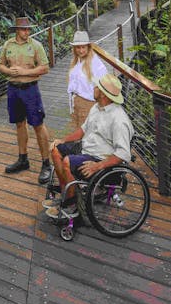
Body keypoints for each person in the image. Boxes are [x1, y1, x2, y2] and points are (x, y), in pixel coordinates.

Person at [44, 72, 134, 220]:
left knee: (67, 162)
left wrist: (97, 166)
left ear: (103, 94)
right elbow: (82, 130)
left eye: (97, 86)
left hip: (101, 158)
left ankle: (72, 205)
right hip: (87, 148)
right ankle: (66, 193)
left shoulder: (119, 120)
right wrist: (63, 140)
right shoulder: (97, 107)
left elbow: (123, 154)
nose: (94, 88)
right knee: (55, 150)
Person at [0, 16, 54, 184]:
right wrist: (8, 71)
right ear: (16, 30)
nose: (27, 32)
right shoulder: (8, 45)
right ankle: (23, 159)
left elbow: (45, 68)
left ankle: (46, 164)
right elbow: (0, 64)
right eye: (23, 29)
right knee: (19, 123)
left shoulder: (35, 45)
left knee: (38, 125)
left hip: (30, 90)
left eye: (28, 29)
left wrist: (23, 72)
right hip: (13, 90)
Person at [65, 30, 107, 135]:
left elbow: (103, 83)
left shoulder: (95, 63)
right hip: (76, 103)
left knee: (86, 135)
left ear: (88, 47)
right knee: (77, 133)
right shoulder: (76, 61)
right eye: (78, 47)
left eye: (83, 47)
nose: (81, 50)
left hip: (89, 104)